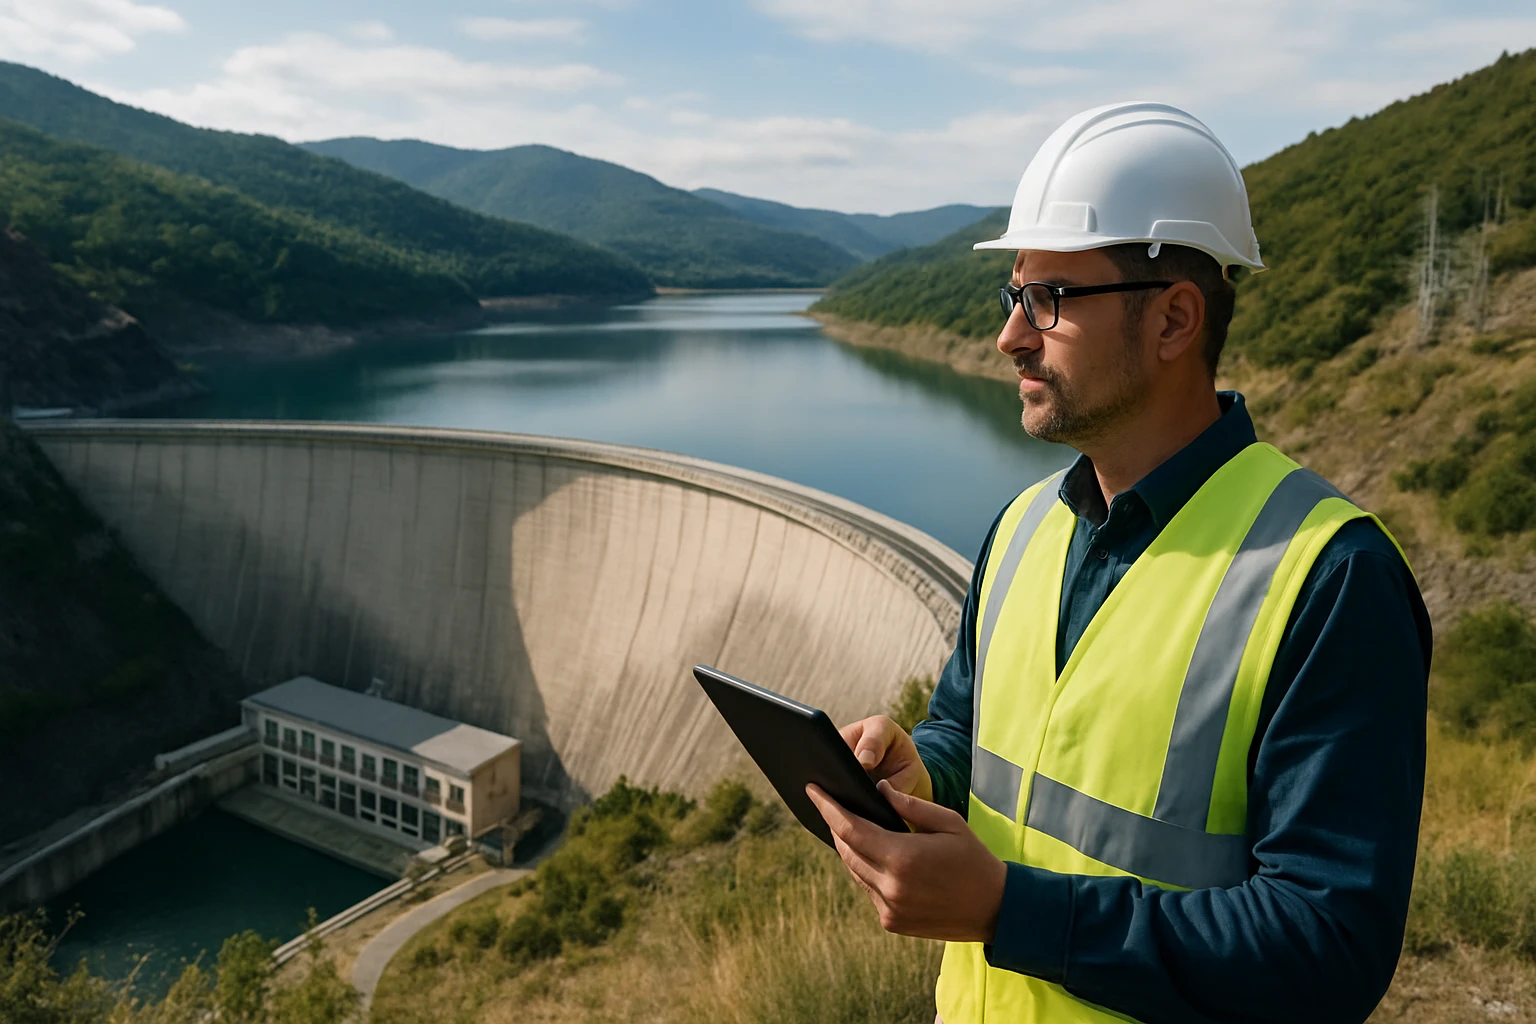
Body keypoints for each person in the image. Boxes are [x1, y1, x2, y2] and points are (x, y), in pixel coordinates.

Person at [804, 101, 1431, 1024]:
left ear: (1176, 320)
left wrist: (1010, 912)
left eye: (1051, 299)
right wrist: (919, 774)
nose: (1010, 337)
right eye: (1013, 296)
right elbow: (965, 730)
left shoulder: (1327, 578)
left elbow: (1325, 946)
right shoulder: (1024, 527)